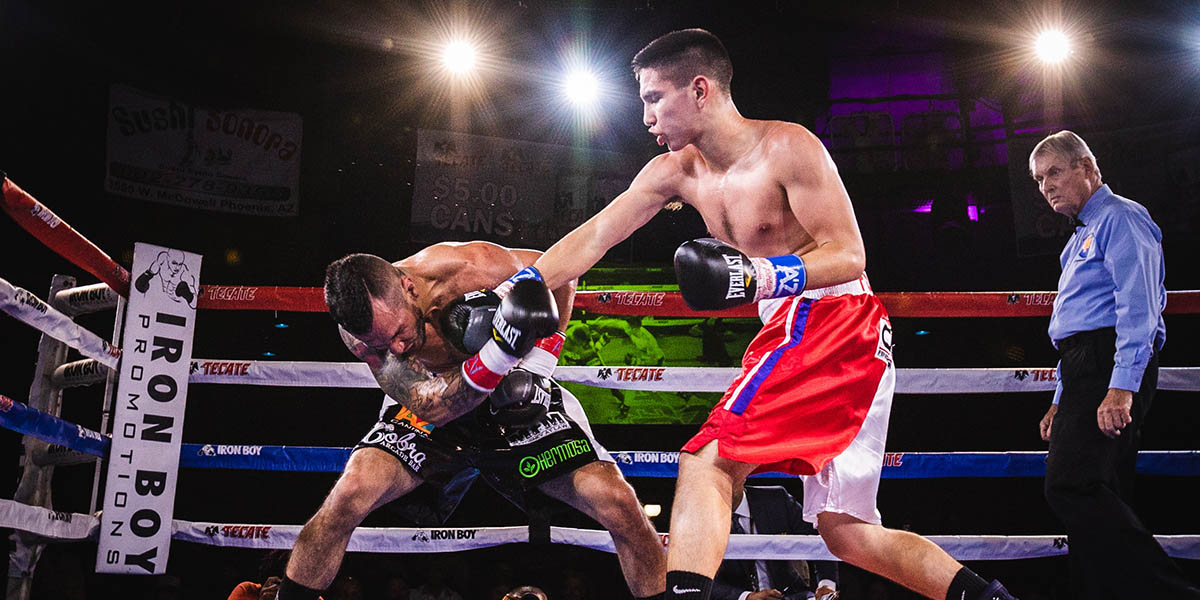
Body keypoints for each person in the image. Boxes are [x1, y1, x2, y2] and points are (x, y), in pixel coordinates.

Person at [524, 28, 1016, 600]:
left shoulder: (787, 147)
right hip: (830, 335)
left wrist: (762, 275)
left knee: (708, 463)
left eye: (654, 98)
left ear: (700, 90)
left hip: (833, 319)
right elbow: (593, 238)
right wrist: (516, 286)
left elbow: (849, 253)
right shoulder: (675, 173)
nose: (645, 116)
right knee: (849, 534)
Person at [277, 243, 666, 600]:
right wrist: (493, 355)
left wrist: (541, 363)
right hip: (431, 399)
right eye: (382, 345)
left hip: (512, 396)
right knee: (347, 496)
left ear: (408, 286)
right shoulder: (359, 330)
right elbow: (427, 404)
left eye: (397, 333)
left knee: (619, 504)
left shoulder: (468, 269)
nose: (394, 348)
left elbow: (559, 271)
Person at [1029, 130, 1200, 598]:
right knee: (1103, 494)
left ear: (1088, 167)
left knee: (1070, 485)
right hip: (1086, 369)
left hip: (1111, 365)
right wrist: (1061, 400)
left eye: (1056, 172)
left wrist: (1121, 385)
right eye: (1040, 179)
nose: (1046, 186)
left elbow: (1138, 307)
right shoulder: (1079, 238)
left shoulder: (1121, 218)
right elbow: (1074, 329)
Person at [714, 484, 838, 600]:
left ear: (743, 476)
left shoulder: (778, 500)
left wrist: (826, 584)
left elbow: (819, 540)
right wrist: (746, 597)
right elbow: (697, 578)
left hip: (792, 595)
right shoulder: (699, 515)